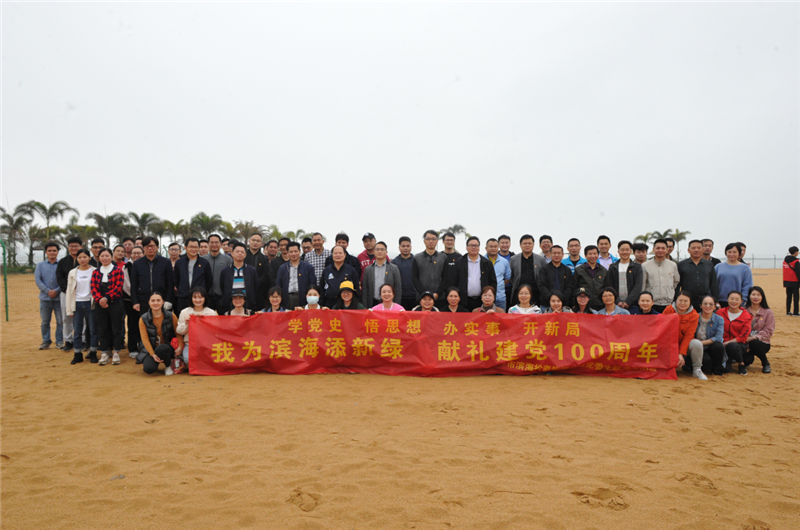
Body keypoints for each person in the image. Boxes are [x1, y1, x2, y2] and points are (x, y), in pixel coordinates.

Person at [91, 248, 125, 366]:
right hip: (100, 304)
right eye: (102, 256)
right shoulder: (95, 272)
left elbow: (118, 287)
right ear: (99, 258)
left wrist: (107, 298)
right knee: (102, 328)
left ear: (111, 257)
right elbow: (93, 288)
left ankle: (116, 352)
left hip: (115, 303)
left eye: (107, 256)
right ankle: (105, 352)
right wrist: (100, 299)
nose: (104, 258)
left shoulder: (118, 271)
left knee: (116, 327)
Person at [65, 249, 97, 364]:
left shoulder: (95, 271)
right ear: (76, 259)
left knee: (93, 329)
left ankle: (93, 352)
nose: (82, 259)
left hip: (90, 303)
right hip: (77, 303)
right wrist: (69, 309)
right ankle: (77, 354)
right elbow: (69, 291)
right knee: (77, 330)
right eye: (80, 257)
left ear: (89, 258)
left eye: (85, 257)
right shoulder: (72, 272)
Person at [663, 291, 705, 380]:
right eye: (680, 300)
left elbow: (688, 336)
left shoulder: (694, 315)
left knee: (696, 343)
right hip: (669, 343)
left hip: (684, 344)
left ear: (690, 302)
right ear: (676, 300)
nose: (682, 303)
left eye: (685, 301)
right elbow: (663, 330)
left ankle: (697, 369)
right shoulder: (668, 310)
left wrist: (681, 353)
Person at [140, 291, 183, 375]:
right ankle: (157, 359)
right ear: (149, 302)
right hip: (153, 349)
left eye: (158, 300)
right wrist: (152, 354)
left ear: (163, 302)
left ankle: (168, 365)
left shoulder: (171, 315)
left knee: (162, 348)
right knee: (148, 369)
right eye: (153, 301)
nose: (155, 303)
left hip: (168, 347)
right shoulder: (143, 319)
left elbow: (178, 333)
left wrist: (180, 347)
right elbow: (145, 339)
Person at [176, 286, 217, 368]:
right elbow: (179, 331)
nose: (198, 300)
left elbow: (215, 331)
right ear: (191, 298)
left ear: (205, 298)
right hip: (190, 344)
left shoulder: (211, 313)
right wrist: (187, 324)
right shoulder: (185, 312)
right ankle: (182, 358)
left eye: (200, 297)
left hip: (207, 345)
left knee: (212, 361)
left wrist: (205, 322)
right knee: (188, 361)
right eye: (195, 297)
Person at [131, 236, 174, 314]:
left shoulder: (166, 262)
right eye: (147, 246)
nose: (150, 248)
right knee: (145, 321)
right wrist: (135, 301)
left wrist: (168, 300)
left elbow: (170, 283)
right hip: (143, 301)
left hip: (162, 300)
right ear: (143, 248)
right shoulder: (137, 264)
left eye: (152, 246)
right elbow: (134, 285)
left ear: (157, 247)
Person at [455, 236, 498, 311]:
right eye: (471, 245)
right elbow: (454, 281)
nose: (474, 247)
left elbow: (493, 282)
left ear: (479, 247)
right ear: (466, 247)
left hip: (482, 302)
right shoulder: (459, 262)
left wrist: (490, 298)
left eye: (476, 245)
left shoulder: (487, 263)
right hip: (463, 301)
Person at [35, 241, 63, 350]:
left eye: (54, 250)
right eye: (49, 250)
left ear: (58, 252)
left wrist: (56, 290)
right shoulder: (40, 265)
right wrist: (47, 291)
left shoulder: (61, 264)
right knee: (45, 322)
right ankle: (46, 341)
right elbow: (38, 280)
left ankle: (59, 341)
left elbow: (64, 279)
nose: (52, 252)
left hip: (59, 298)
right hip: (45, 299)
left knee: (60, 321)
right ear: (46, 252)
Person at [716, 291, 752, 375]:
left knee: (732, 346)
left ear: (741, 301)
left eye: (737, 299)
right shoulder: (720, 313)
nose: (734, 301)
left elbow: (743, 336)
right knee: (725, 369)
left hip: (738, 345)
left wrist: (727, 343)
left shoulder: (746, 316)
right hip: (722, 344)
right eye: (731, 299)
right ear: (727, 300)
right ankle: (728, 361)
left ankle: (741, 364)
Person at [173, 237, 213, 314]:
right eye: (191, 247)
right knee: (184, 318)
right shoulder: (179, 263)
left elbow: (209, 281)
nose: (193, 249)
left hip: (199, 299)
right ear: (185, 247)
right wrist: (182, 289)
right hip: (183, 298)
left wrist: (202, 292)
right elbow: (176, 280)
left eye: (196, 247)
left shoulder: (204, 263)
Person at [56, 236, 82, 351]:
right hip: (66, 294)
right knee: (66, 317)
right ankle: (68, 340)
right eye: (71, 246)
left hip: (82, 294)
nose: (73, 248)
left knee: (83, 318)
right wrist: (67, 290)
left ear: (81, 246)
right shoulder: (63, 262)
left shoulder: (86, 259)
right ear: (68, 247)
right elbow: (59, 277)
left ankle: (82, 340)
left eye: (76, 246)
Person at [677, 239, 719, 311]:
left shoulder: (709, 264)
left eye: (699, 248)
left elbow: (713, 284)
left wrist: (715, 300)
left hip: (705, 300)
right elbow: (677, 284)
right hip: (687, 300)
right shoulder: (681, 265)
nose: (696, 250)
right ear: (688, 250)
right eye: (693, 248)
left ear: (702, 249)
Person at [641, 238, 680, 312]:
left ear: (667, 250)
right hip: (651, 303)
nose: (660, 250)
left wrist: (669, 290)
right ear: (653, 249)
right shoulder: (645, 265)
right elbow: (643, 285)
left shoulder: (673, 265)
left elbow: (676, 281)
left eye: (663, 248)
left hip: (668, 303)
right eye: (658, 248)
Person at [221, 241, 259, 313]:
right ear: (232, 253)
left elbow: (255, 287)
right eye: (237, 251)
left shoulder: (251, 270)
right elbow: (222, 287)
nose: (240, 253)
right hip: (230, 305)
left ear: (245, 255)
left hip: (247, 305)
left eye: (242, 252)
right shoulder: (225, 271)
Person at [276, 242, 317, 309]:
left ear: (299, 252)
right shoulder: (282, 268)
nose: (293, 254)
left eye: (295, 251)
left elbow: (312, 284)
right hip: (287, 298)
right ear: (288, 253)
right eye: (291, 252)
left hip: (303, 299)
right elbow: (278, 285)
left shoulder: (308, 267)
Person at [605, 240, 643, 311]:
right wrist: (618, 301)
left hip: (633, 304)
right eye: (622, 250)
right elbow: (610, 285)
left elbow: (638, 286)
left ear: (631, 251)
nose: (624, 252)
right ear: (618, 251)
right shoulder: (613, 267)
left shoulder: (637, 267)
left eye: (627, 250)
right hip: (615, 304)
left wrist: (628, 301)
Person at [362, 241, 402, 307]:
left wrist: (396, 305)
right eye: (377, 249)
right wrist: (365, 306)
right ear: (374, 252)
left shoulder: (394, 268)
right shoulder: (368, 269)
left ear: (386, 252)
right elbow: (365, 290)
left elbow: (398, 289)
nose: (379, 251)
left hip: (389, 303)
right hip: (372, 303)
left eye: (382, 249)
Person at [508, 234, 544, 307]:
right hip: (518, 294)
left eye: (529, 243)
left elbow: (544, 277)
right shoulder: (513, 259)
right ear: (520, 245)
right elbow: (511, 277)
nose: (527, 245)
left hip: (536, 294)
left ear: (533, 245)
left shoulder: (540, 259)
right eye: (525, 243)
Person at [745, 286, 774, 373]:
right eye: (753, 294)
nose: (755, 297)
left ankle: (765, 363)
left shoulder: (768, 312)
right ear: (749, 296)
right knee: (746, 360)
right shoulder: (744, 310)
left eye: (758, 295)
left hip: (761, 342)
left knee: (754, 343)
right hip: (745, 342)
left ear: (762, 297)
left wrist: (754, 337)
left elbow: (769, 330)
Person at [693, 295, 725, 375]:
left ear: (714, 307)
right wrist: (697, 344)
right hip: (698, 348)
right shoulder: (694, 317)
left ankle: (717, 369)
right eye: (705, 304)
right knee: (706, 363)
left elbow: (718, 338)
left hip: (711, 347)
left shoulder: (719, 319)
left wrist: (701, 343)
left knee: (718, 345)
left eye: (711, 304)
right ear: (700, 305)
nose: (708, 306)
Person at [412, 230, 445, 307]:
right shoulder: (417, 257)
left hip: (439, 298)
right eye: (428, 239)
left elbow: (445, 278)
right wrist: (424, 294)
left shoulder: (443, 257)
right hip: (422, 298)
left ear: (437, 241)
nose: (431, 241)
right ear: (424, 241)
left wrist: (438, 293)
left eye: (433, 239)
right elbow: (414, 278)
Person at [205, 233, 233, 312]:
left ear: (220, 244)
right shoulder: (203, 259)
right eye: (212, 242)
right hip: (206, 296)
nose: (214, 244)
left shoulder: (228, 259)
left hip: (222, 296)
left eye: (216, 242)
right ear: (208, 244)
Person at [574, 245, 607, 311]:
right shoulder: (579, 270)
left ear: (598, 255)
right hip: (583, 305)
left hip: (600, 305)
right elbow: (574, 288)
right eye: (590, 254)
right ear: (585, 256)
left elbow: (606, 287)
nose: (593, 256)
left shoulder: (604, 270)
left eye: (595, 254)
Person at [484, 238, 512, 310]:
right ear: (486, 248)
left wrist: (499, 284)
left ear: (498, 247)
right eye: (491, 246)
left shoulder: (504, 261)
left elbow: (508, 278)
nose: (493, 248)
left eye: (495, 246)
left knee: (501, 316)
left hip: (500, 297)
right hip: (485, 298)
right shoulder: (481, 260)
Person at [245, 233, 269, 309]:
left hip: (259, 293)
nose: (255, 242)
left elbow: (265, 275)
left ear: (261, 244)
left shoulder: (264, 258)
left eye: (258, 241)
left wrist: (257, 282)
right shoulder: (243, 255)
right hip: (244, 293)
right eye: (253, 240)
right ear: (249, 241)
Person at [394, 236, 417, 310]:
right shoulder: (394, 263)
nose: (405, 248)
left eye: (408, 246)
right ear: (399, 247)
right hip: (400, 297)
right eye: (403, 246)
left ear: (411, 247)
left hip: (415, 297)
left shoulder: (416, 261)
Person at [439, 232, 462, 301]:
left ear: (454, 242)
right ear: (443, 241)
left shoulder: (460, 257)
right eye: (447, 240)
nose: (449, 242)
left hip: (455, 294)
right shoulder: (438, 256)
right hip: (441, 294)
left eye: (451, 240)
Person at [782, 246, 800, 316]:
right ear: (795, 252)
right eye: (798, 251)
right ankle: (795, 312)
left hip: (787, 281)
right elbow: (798, 273)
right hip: (794, 281)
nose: (798, 253)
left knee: (788, 297)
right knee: (796, 297)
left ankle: (788, 311)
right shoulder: (796, 261)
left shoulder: (785, 261)